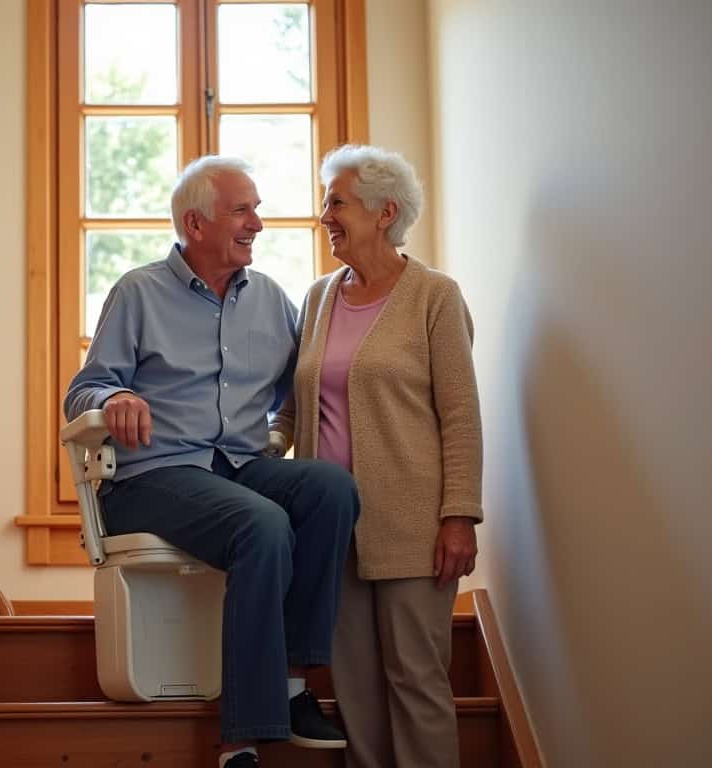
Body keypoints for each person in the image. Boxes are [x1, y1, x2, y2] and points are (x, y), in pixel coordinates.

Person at [64, 155, 358, 768]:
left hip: (241, 467)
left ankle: (294, 683)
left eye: (256, 208)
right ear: (195, 225)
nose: (258, 222)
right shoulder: (139, 292)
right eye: (242, 210)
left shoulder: (272, 300)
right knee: (264, 523)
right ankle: (240, 740)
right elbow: (82, 391)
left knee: (329, 489)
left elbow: (297, 386)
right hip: (153, 476)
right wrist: (115, 395)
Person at [271, 144, 483, 768]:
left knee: (415, 682)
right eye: (324, 203)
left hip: (414, 526)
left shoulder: (434, 297)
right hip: (331, 527)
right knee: (356, 691)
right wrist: (236, 460)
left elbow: (462, 415)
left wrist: (459, 515)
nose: (324, 216)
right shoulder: (317, 298)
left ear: (385, 211)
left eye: (335, 202)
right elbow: (290, 408)